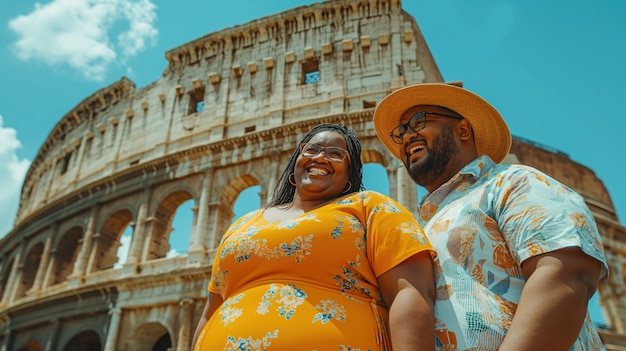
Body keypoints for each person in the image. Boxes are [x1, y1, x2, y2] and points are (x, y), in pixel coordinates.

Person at [372, 83, 609, 351]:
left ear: (463, 129)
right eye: (400, 131)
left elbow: (566, 273)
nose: (406, 136)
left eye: (419, 121)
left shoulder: (514, 182)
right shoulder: (421, 226)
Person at [192, 123, 436, 350]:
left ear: (350, 174)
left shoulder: (371, 207)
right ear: (295, 160)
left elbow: (410, 291)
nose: (320, 157)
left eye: (335, 154)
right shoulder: (243, 224)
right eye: (312, 150)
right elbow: (210, 312)